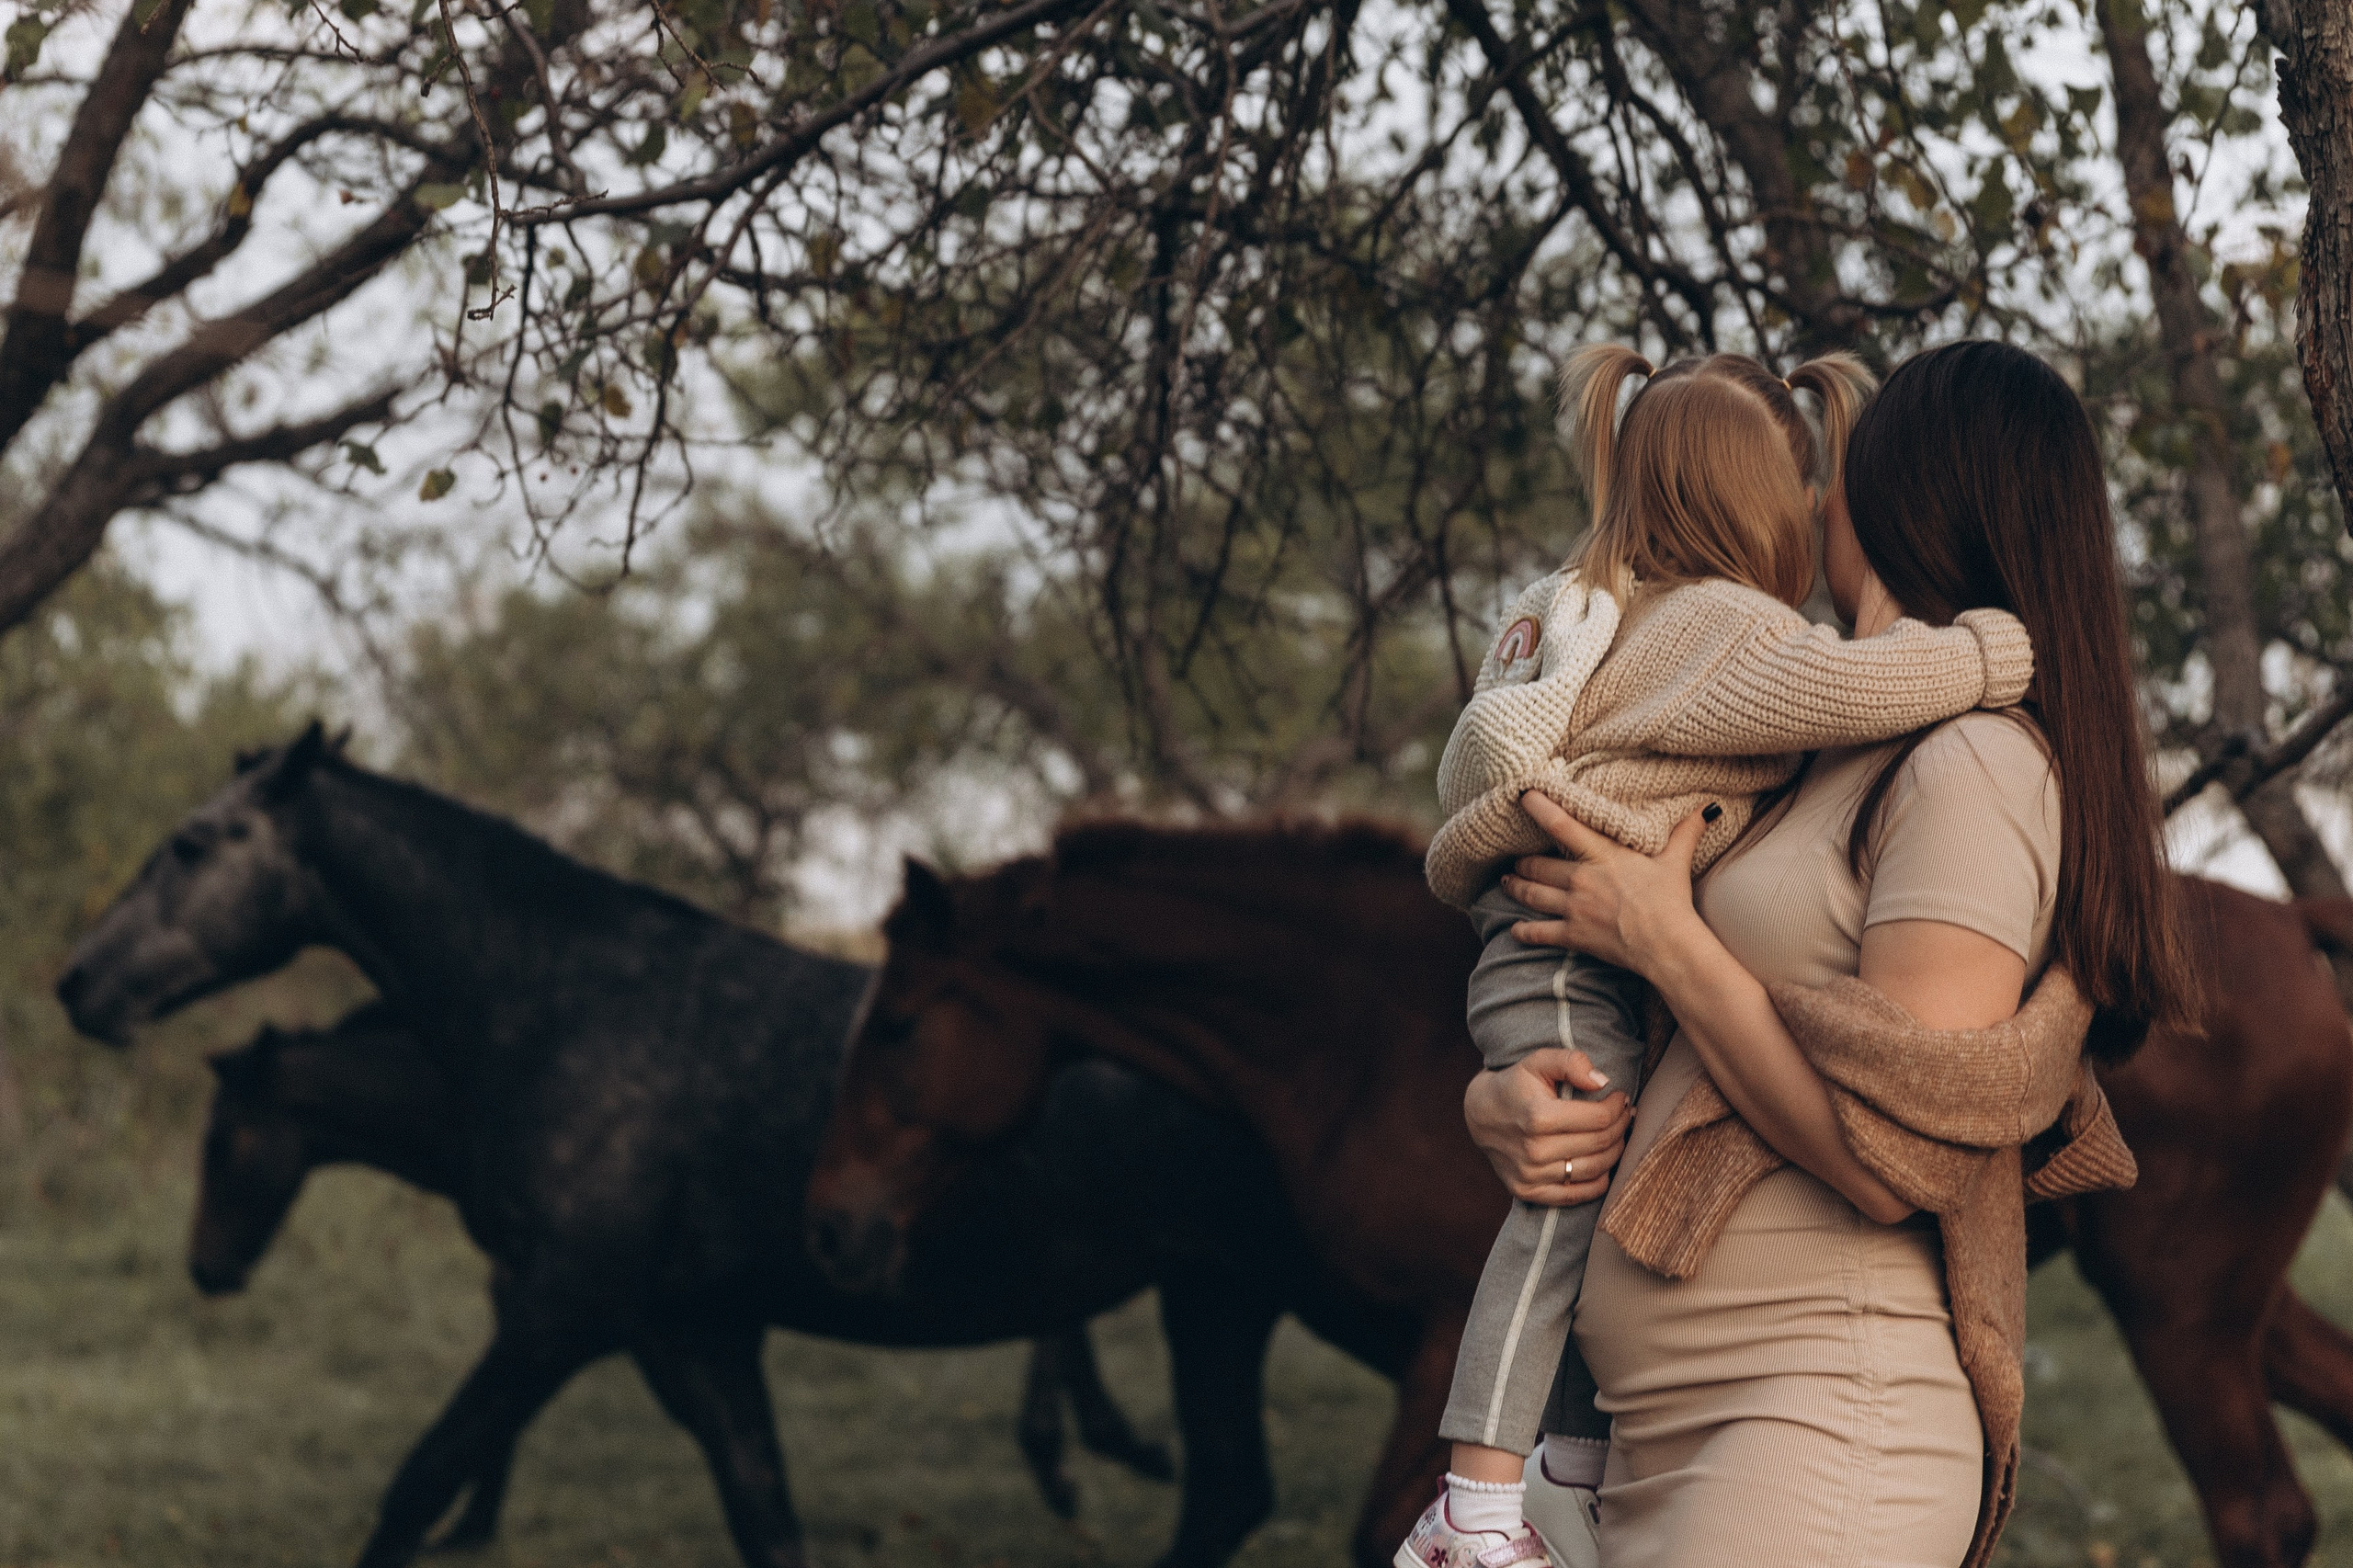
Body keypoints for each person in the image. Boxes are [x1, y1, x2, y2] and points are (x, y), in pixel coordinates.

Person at [1462, 340, 2198, 1568]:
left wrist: (1667, 936)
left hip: (1815, 1424)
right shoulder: (1807, 750)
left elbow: (1898, 1151)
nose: (1811, 499)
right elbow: (1660, 1019)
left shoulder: (1971, 762)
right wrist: (1509, 1094)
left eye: (1839, 471)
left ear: (1903, 495)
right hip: (1656, 1439)